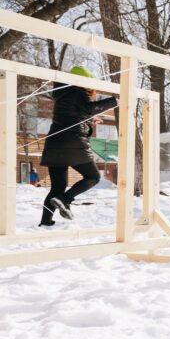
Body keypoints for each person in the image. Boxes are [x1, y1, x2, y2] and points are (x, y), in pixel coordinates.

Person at [39, 65, 117, 227]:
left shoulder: (61, 94)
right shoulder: (79, 92)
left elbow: (72, 116)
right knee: (93, 177)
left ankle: (46, 222)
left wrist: (88, 121)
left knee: (57, 187)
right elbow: (89, 108)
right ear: (84, 82)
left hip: (54, 144)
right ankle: (65, 200)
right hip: (73, 143)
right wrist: (115, 101)